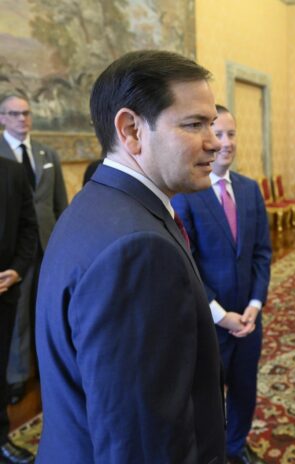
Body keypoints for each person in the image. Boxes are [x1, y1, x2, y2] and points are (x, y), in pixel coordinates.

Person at [35, 50, 226, 463]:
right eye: (194, 124)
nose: (215, 141)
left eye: (211, 124)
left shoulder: (96, 204)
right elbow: (142, 445)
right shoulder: (138, 250)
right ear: (132, 130)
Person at [172, 105, 271, 464]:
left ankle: (235, 446)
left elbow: (262, 252)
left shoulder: (250, 189)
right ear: (206, 139)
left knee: (245, 388)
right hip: (210, 323)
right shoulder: (186, 196)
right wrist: (220, 315)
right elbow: (187, 265)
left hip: (249, 318)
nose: (225, 142)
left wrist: (255, 305)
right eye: (218, 134)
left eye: (231, 134)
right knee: (208, 397)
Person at [0, 94, 68, 405]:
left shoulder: (46, 153)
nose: (22, 118)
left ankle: (47, 367)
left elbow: (59, 204)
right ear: (2, 118)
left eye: (26, 113)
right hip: (14, 250)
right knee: (18, 316)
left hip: (49, 245)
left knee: (49, 309)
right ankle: (15, 377)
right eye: (14, 114)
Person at [0, 157, 38, 464]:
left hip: (4, 292)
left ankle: (1, 438)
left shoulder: (12, 171)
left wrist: (17, 270)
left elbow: (29, 226)